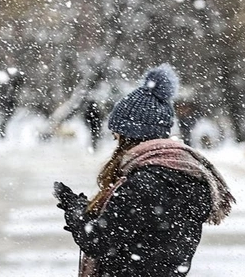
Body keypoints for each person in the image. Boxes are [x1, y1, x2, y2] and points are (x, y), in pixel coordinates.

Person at [53, 64, 235, 277]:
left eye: (118, 134)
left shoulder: (144, 183)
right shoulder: (186, 174)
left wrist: (75, 211)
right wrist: (85, 209)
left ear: (130, 135)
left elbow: (98, 240)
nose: (115, 140)